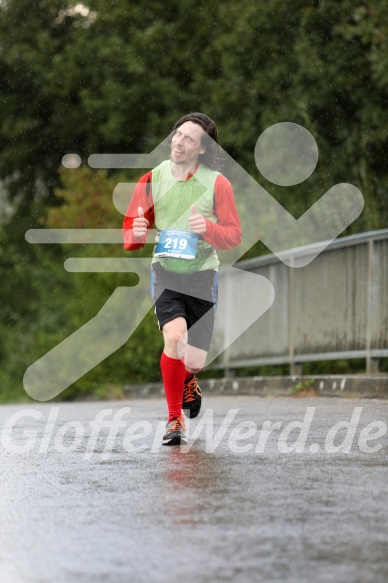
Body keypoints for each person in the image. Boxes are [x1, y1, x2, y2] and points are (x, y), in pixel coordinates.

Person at [123, 112, 241, 445]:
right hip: (166, 273)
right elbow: (130, 236)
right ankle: (174, 420)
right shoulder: (152, 178)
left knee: (194, 359)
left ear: (202, 149)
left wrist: (211, 230)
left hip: (203, 275)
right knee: (174, 338)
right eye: (177, 134)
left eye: (189, 138)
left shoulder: (218, 184)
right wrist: (137, 231)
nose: (179, 141)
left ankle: (189, 377)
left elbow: (233, 235)